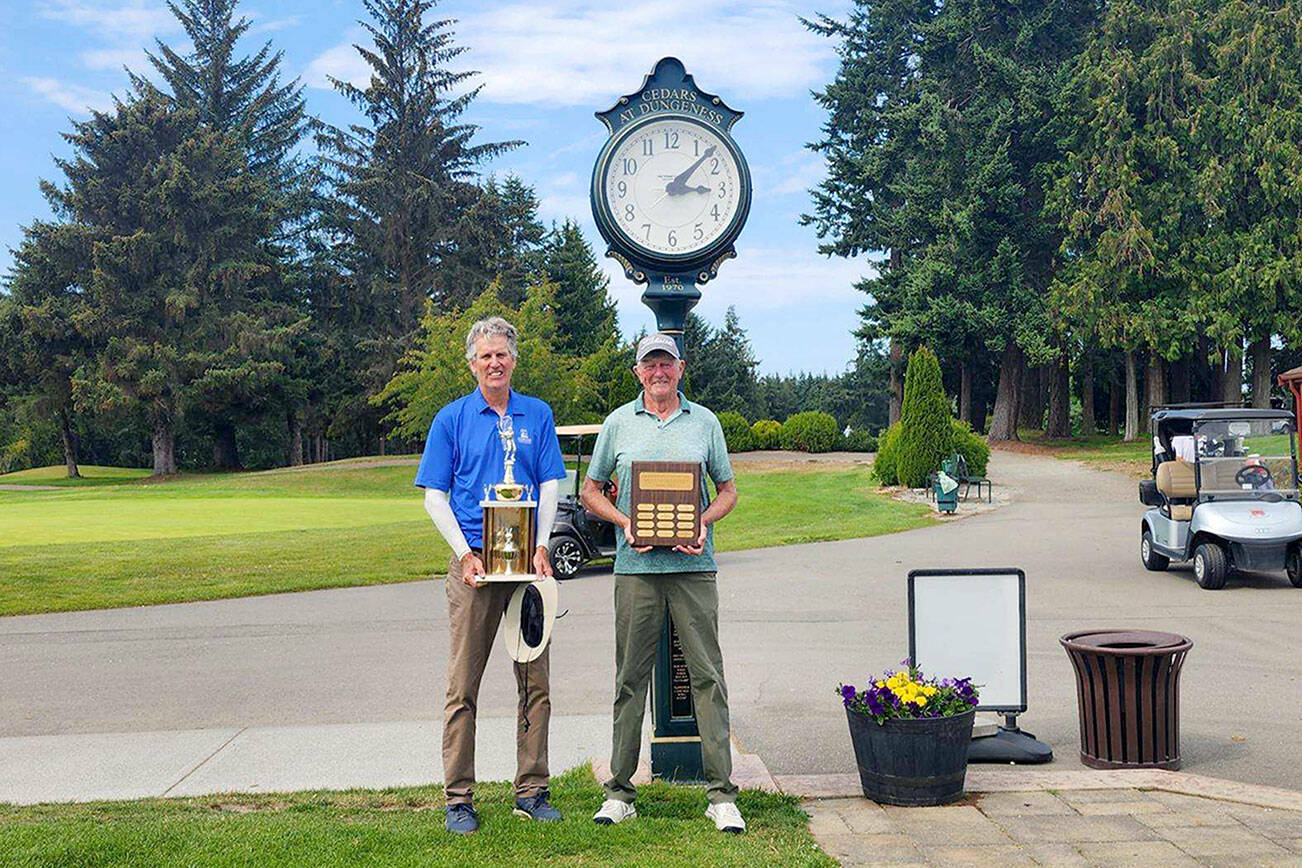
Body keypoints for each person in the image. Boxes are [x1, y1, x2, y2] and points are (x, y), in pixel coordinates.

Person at [580, 332, 746, 834]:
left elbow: (729, 490)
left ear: (680, 369)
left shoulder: (706, 423)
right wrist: (626, 523)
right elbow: (590, 490)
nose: (658, 372)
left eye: (666, 364)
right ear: (637, 372)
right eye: (649, 364)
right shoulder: (617, 424)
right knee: (630, 679)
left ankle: (721, 795)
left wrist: (703, 523)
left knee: (707, 678)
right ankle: (620, 792)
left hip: (693, 570)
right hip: (636, 571)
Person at [414, 316, 568, 834]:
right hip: (475, 565)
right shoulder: (451, 419)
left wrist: (543, 544)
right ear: (472, 363)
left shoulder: (537, 414)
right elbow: (435, 495)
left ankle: (532, 789)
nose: (494, 362)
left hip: (526, 565)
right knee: (463, 686)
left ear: (513, 359)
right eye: (485, 356)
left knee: (535, 681)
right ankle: (459, 798)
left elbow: (549, 483)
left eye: (502, 354)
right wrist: (463, 553)